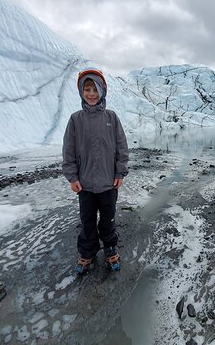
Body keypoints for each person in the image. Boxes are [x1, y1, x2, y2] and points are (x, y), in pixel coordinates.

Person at [62, 68, 129, 274]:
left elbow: (121, 147)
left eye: (95, 89)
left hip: (109, 182)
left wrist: (120, 173)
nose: (91, 94)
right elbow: (69, 150)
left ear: (102, 91)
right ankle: (87, 252)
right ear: (81, 92)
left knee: (108, 218)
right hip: (85, 184)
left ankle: (110, 248)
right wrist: (72, 177)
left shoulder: (112, 117)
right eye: (87, 89)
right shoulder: (75, 120)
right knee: (87, 220)